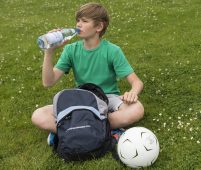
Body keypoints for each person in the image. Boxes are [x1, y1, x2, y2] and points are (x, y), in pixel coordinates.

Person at [31, 2, 144, 144]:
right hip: (82, 99)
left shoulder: (112, 50)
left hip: (108, 98)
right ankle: (104, 129)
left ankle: (67, 129)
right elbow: (48, 82)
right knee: (38, 115)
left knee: (137, 109)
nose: (78, 25)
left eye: (84, 21)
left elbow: (137, 82)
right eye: (78, 20)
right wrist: (49, 52)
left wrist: (133, 92)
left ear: (99, 27)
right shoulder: (71, 50)